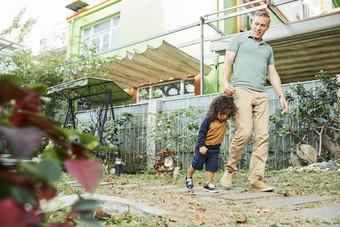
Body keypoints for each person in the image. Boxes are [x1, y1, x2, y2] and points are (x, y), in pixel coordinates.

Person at [220, 11, 288, 192]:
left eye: (262, 25)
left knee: (262, 136)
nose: (258, 28)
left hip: (261, 94)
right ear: (253, 23)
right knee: (244, 132)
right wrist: (225, 83)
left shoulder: (267, 49)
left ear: (267, 27)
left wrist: (281, 95)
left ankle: (256, 177)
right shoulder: (239, 40)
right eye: (256, 24)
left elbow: (272, 73)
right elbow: (228, 62)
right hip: (241, 90)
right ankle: (230, 171)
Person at [185, 95, 236, 193]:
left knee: (212, 166)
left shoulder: (224, 119)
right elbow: (201, 134)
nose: (225, 117)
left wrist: (231, 93)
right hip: (204, 147)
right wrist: (202, 146)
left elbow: (230, 101)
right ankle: (189, 176)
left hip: (215, 148)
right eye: (223, 114)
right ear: (217, 110)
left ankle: (208, 184)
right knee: (196, 164)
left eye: (227, 115)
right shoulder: (208, 120)